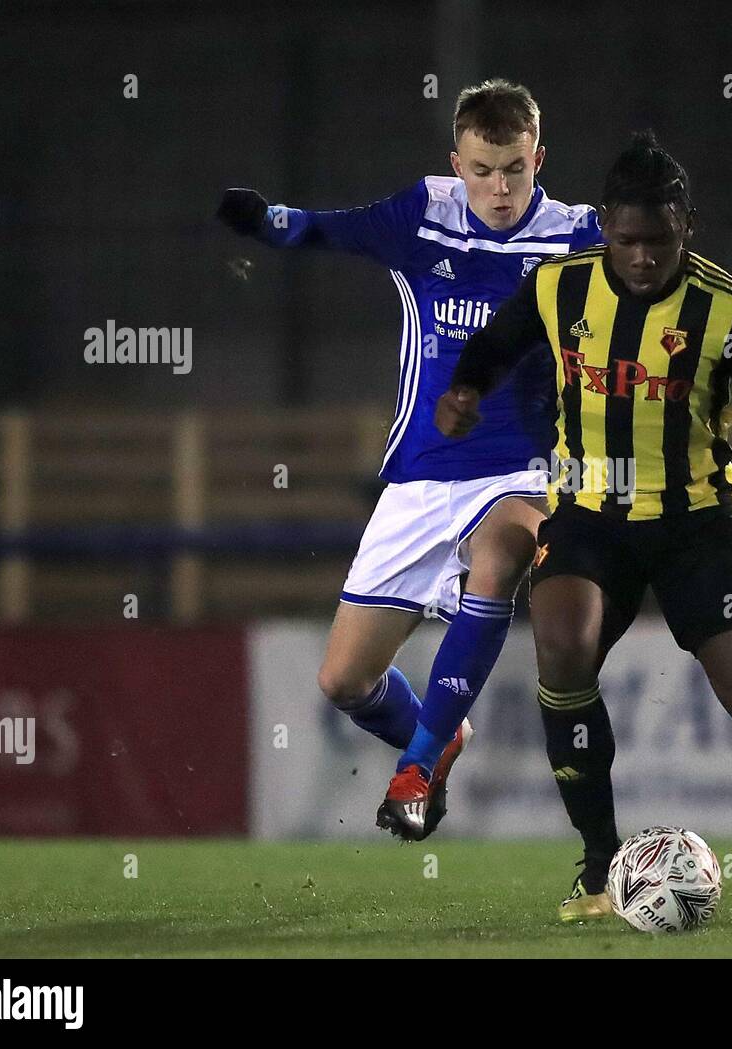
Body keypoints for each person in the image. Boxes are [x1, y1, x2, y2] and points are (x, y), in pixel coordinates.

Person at [435, 132, 732, 921]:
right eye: (627, 240)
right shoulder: (559, 288)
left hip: (697, 529)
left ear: (688, 226)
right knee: (562, 645)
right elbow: (495, 343)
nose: (643, 256)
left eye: (660, 239)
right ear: (604, 227)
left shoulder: (727, 309)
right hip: (589, 518)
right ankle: (597, 860)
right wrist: (467, 388)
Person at [217, 80, 603, 840]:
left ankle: (418, 767)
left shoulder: (576, 235)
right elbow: (328, 230)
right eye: (484, 169)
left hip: (522, 467)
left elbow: (649, 289)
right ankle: (441, 735)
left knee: (500, 560)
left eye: (516, 169)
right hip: (423, 475)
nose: (500, 187)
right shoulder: (421, 216)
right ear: (456, 162)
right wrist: (265, 221)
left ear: (540, 159)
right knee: (344, 679)